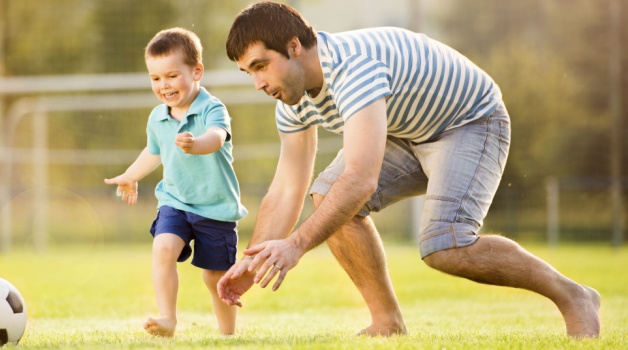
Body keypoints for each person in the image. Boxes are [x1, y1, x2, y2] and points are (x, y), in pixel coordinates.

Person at [215, 1, 600, 338]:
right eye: (249, 72)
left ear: (294, 47)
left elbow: (361, 180)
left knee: (445, 246)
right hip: (406, 131)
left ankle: (574, 295)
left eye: (261, 66)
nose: (257, 83)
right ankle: (387, 322)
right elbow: (286, 188)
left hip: (469, 122)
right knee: (327, 195)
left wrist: (296, 245)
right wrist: (254, 259)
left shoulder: (353, 70)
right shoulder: (291, 99)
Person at [104, 27, 247, 337]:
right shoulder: (157, 117)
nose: (163, 85)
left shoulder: (213, 108)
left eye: (171, 76)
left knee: (214, 277)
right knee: (163, 247)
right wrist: (131, 175)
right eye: (155, 78)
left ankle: (227, 333)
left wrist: (196, 144)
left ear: (196, 71)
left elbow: (217, 137)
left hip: (215, 207)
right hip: (175, 201)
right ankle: (168, 319)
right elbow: (154, 151)